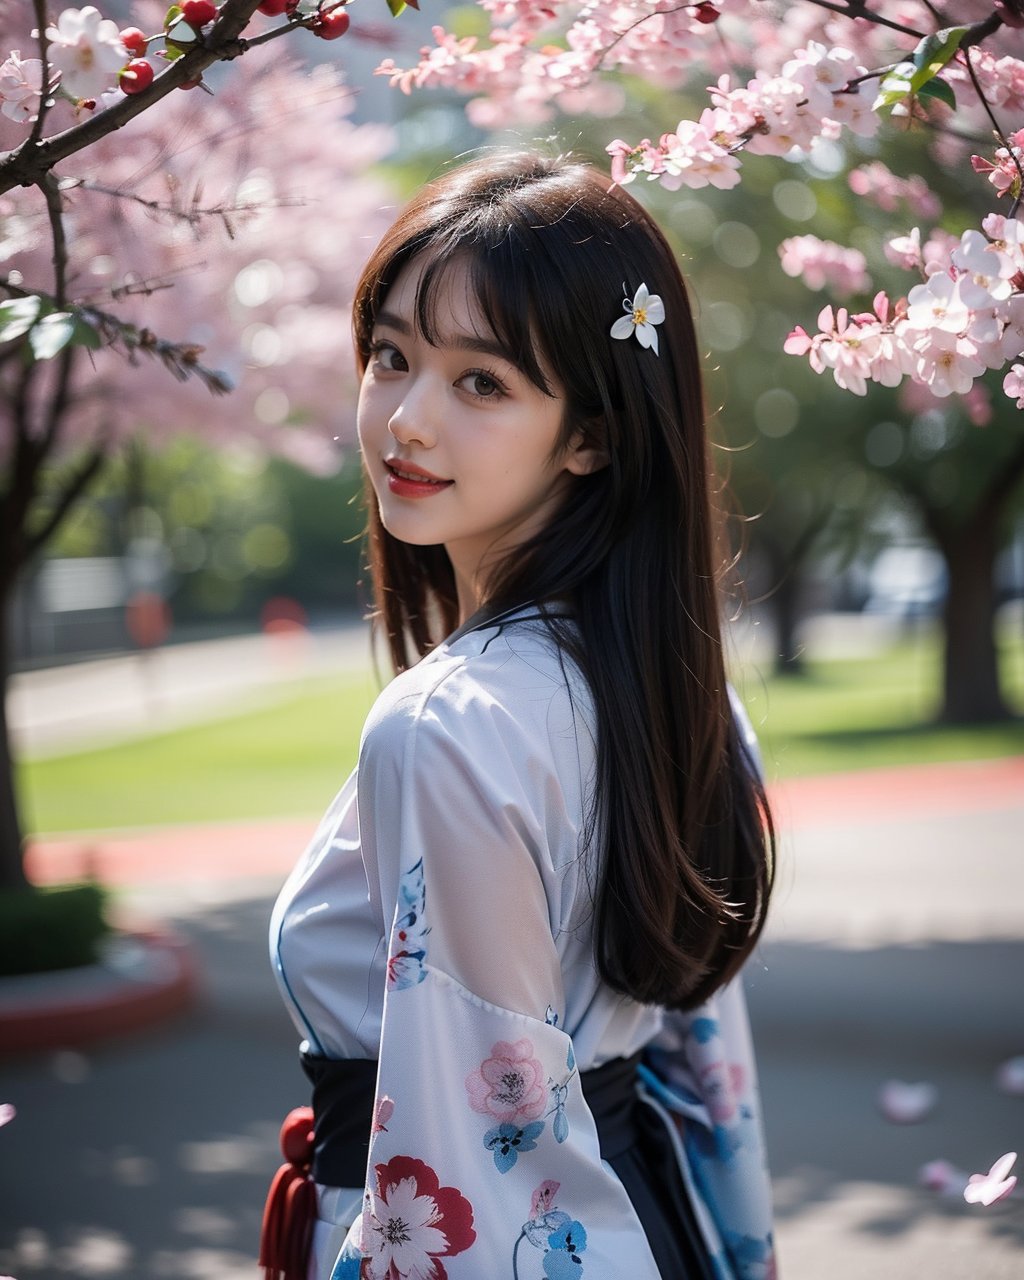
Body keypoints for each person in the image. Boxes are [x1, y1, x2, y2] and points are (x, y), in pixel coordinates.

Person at [265, 150, 776, 1280]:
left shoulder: (442, 724)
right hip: (658, 1219)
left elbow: (472, 1161)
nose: (405, 418)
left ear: (590, 433)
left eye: (480, 382)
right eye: (391, 356)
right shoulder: (689, 691)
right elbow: (711, 1080)